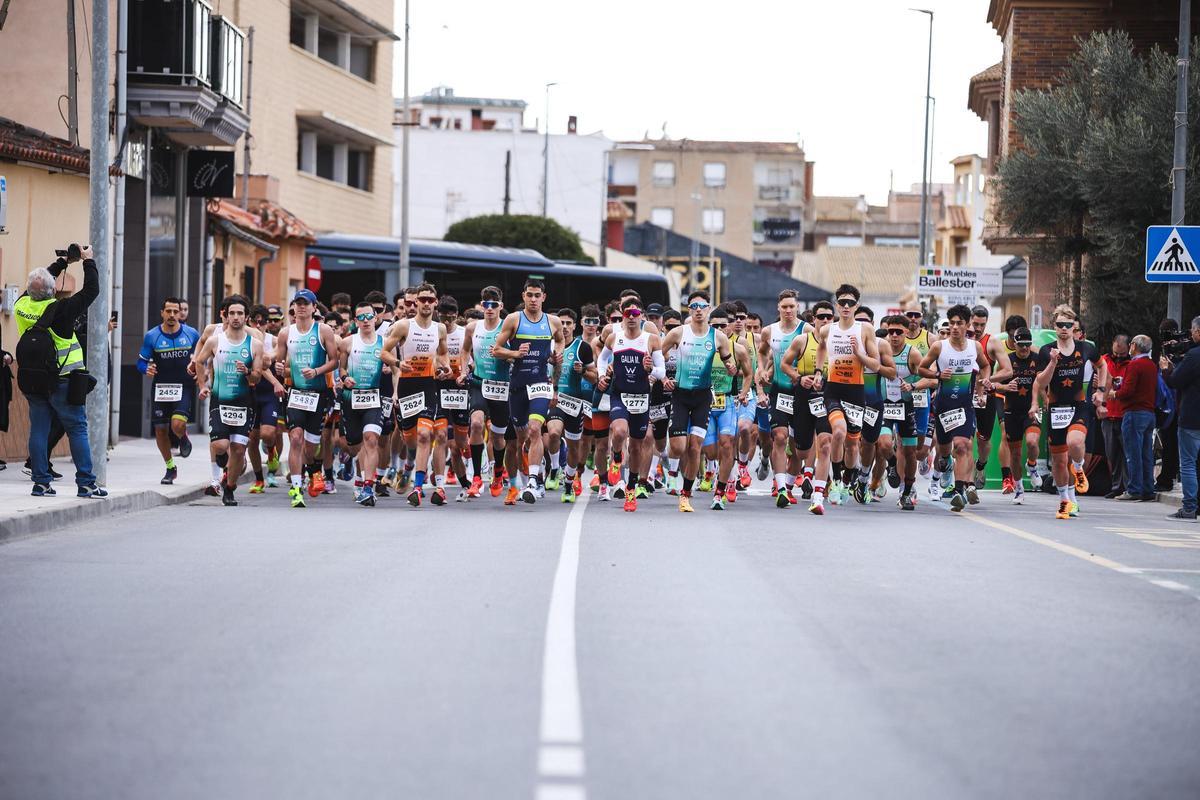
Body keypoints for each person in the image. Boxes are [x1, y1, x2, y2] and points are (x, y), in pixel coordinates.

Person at [15, 245, 106, 498]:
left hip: (33, 380)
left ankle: (40, 482)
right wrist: (88, 261)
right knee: (77, 428)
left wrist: (61, 263)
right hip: (63, 380)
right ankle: (86, 483)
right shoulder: (61, 310)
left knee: (39, 430)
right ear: (53, 290)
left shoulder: (21, 305)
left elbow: (38, 283)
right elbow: (92, 290)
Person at [917, 304, 990, 512]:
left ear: (967, 325)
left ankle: (959, 491)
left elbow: (985, 365)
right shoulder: (939, 347)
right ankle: (943, 466)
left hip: (964, 406)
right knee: (944, 452)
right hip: (944, 407)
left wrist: (984, 383)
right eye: (952, 324)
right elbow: (922, 368)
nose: (955, 327)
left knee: (963, 446)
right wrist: (938, 375)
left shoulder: (974, 347)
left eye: (959, 323)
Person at [1031, 305, 1101, 518]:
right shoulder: (1046, 351)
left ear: (1074, 327)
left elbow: (1103, 365)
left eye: (1068, 325)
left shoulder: (1086, 348)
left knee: (1075, 443)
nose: (1064, 329)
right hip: (1056, 410)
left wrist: (1102, 392)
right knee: (1060, 461)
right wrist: (1053, 362)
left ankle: (1079, 468)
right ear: (1054, 327)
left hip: (1079, 405)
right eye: (1060, 325)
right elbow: (1040, 382)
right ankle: (1065, 500)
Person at [193, 297, 264, 506]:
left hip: (244, 403)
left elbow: (257, 377)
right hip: (219, 400)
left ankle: (230, 488)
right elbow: (199, 360)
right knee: (220, 445)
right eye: (232, 313)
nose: (235, 317)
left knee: (239, 450)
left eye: (240, 313)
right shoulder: (216, 341)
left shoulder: (255, 345)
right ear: (226, 315)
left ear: (246, 317)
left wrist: (248, 372)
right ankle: (222, 461)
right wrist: (202, 386)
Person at [273, 289, 340, 508]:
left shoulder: (324, 331)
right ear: (293, 307)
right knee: (295, 438)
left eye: (306, 303)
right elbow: (280, 365)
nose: (301, 307)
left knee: (311, 447)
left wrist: (317, 371)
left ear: (314, 307)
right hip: (295, 394)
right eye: (298, 303)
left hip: (318, 395)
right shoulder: (286, 333)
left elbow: (335, 361)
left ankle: (313, 470)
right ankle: (296, 487)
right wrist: (280, 368)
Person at [136, 297, 200, 484]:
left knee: (177, 425)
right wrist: (145, 368)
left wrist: (201, 373)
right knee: (161, 431)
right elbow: (140, 361)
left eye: (176, 311)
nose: (172, 315)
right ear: (162, 313)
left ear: (181, 313)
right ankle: (170, 468)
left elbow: (203, 357)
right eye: (168, 311)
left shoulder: (191, 334)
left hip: (184, 387)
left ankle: (183, 436)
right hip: (161, 388)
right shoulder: (152, 336)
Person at [1109, 334, 1159, 503]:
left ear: (1134, 346)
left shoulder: (1135, 365)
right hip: (1149, 413)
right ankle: (1148, 489)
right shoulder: (1152, 365)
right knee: (1146, 453)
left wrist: (1114, 393)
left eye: (1131, 345)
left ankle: (1134, 489)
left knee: (1132, 453)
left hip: (1134, 413)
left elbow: (1128, 391)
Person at [1163, 316, 1200, 520]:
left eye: (1193, 331)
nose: (1191, 334)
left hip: (1192, 417)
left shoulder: (1194, 356)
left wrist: (1166, 370)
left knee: (1187, 463)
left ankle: (1189, 507)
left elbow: (1175, 381)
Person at [1093, 334, 1131, 499]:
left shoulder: (1132, 364)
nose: (1118, 356)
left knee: (1126, 454)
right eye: (1116, 352)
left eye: (1122, 354)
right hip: (1108, 414)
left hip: (1124, 414)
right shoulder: (1104, 361)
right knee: (1112, 453)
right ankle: (1116, 486)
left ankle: (1128, 487)